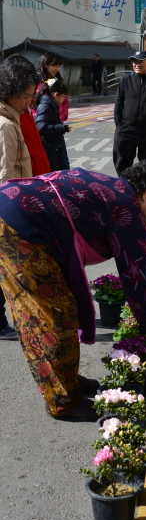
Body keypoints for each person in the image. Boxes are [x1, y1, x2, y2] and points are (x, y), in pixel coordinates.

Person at [0, 160, 146, 420]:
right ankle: (63, 401)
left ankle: (66, 378)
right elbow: (137, 281)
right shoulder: (126, 207)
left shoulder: (113, 189)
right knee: (50, 318)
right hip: (19, 227)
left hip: (14, 212)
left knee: (59, 309)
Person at [0, 55, 38, 339]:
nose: (29, 102)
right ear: (11, 93)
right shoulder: (5, 127)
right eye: (26, 96)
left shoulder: (12, 120)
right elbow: (5, 178)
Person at [113, 50, 146, 176]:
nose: (137, 64)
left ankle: (143, 191)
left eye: (141, 61)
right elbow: (118, 103)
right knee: (122, 162)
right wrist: (119, 125)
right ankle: (125, 188)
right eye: (135, 61)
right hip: (127, 129)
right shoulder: (125, 80)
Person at [5, 54, 51, 177]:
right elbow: (5, 172)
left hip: (35, 182)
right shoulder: (6, 123)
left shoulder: (24, 110)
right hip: (23, 188)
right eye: (26, 96)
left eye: (31, 95)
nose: (29, 101)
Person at [34, 52, 70, 169]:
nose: (57, 68)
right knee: (50, 163)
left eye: (59, 66)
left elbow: (64, 101)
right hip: (44, 128)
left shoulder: (57, 80)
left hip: (56, 125)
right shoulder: (36, 81)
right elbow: (32, 105)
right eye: (55, 65)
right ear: (45, 64)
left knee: (63, 162)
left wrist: (62, 116)